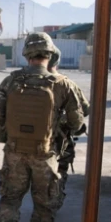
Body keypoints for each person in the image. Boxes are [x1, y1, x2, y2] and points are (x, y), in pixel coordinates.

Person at [0, 33, 85, 222]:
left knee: (11, 197)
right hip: (46, 154)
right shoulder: (63, 84)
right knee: (44, 202)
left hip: (14, 152)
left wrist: (8, 134)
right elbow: (77, 122)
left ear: (27, 54)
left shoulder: (11, 81)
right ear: (50, 54)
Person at [48, 46, 90, 209]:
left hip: (26, 142)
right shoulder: (67, 84)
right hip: (59, 142)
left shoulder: (21, 81)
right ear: (57, 61)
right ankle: (53, 201)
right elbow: (84, 110)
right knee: (59, 171)